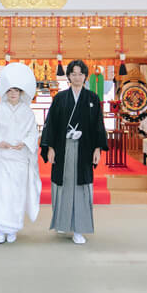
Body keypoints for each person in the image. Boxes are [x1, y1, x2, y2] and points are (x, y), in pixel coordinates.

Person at [40, 59, 108, 245]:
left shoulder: (92, 98)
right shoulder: (60, 98)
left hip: (84, 148)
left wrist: (97, 148)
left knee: (81, 188)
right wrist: (50, 147)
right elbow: (51, 124)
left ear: (85, 76)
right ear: (68, 76)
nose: (77, 77)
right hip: (63, 148)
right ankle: (62, 223)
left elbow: (98, 125)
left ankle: (79, 228)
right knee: (63, 185)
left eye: (80, 73)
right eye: (73, 73)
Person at [0, 63, 41, 244]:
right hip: (1, 157)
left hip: (19, 159)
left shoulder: (28, 113)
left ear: (21, 93)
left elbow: (33, 133)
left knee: (16, 194)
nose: (13, 93)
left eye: (17, 90)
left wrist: (26, 143)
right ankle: (0, 229)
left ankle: (12, 229)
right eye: (10, 90)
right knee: (0, 193)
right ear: (5, 92)